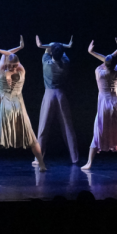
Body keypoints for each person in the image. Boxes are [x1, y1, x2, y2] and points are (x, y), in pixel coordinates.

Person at [0, 36, 47, 173]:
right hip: (19, 107)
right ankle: (42, 165)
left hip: (5, 107)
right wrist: (19, 48)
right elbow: (12, 57)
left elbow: (6, 55)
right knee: (32, 138)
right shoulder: (21, 71)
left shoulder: (1, 70)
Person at [81, 38, 117, 170]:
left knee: (99, 131)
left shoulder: (99, 73)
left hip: (104, 106)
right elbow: (110, 61)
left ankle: (89, 163)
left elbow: (107, 61)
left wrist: (91, 52)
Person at [33, 35, 78, 165]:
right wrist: (66, 45)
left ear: (52, 52)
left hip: (49, 95)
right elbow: (59, 51)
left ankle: (38, 158)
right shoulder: (66, 62)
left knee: (43, 128)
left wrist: (42, 45)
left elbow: (48, 49)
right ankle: (74, 158)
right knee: (68, 127)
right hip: (61, 96)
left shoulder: (46, 62)